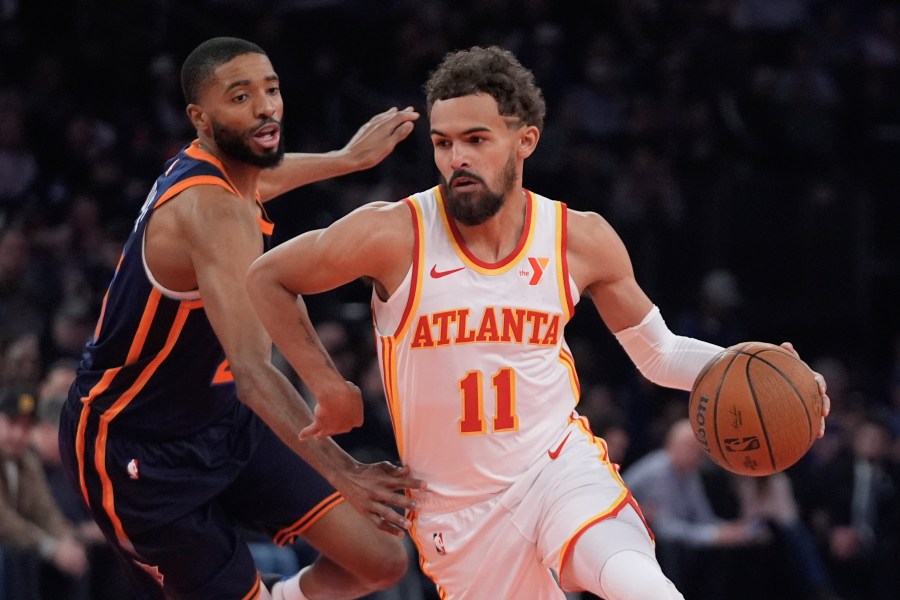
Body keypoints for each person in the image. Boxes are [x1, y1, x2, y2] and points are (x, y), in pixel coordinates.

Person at [246, 45, 830, 600]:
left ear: (525, 140)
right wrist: (326, 386)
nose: (458, 159)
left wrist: (770, 372)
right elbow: (266, 278)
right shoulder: (392, 233)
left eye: (477, 139)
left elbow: (659, 353)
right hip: (457, 510)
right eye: (443, 143)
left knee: (643, 586)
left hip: (556, 467)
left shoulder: (580, 238)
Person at [57, 36, 425, 600]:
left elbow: (265, 178)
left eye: (271, 90)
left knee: (380, 561)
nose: (265, 107)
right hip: (135, 449)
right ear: (201, 118)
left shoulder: (223, 171)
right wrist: (346, 470)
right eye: (241, 96)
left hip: (221, 422)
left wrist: (348, 159)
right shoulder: (213, 212)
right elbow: (254, 376)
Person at [622, 418, 770, 599]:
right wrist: (714, 535)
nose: (697, 456)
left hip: (672, 533)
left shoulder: (689, 473)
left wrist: (729, 530)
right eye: (691, 448)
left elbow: (702, 516)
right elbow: (667, 528)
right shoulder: (658, 471)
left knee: (737, 548)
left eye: (700, 451)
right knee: (675, 550)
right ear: (671, 445)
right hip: (632, 537)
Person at [0, 384, 89, 599]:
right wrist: (51, 547)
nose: (19, 434)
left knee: (77, 556)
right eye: (11, 423)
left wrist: (67, 540)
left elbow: (45, 510)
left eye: (26, 426)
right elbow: (4, 521)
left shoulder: (27, 460)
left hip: (21, 548)